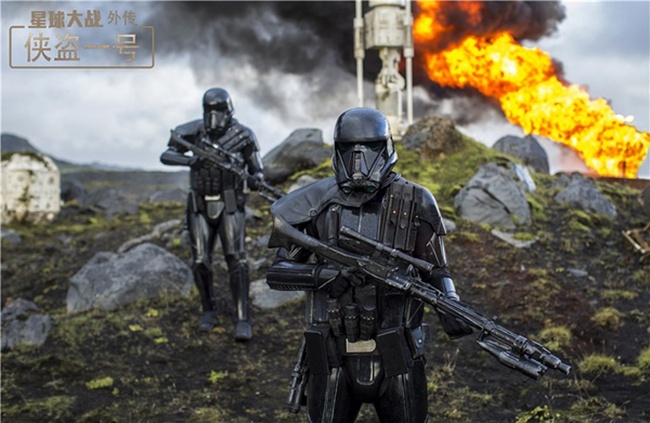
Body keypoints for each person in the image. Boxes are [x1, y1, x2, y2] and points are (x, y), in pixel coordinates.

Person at [266, 107, 472, 422]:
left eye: (370, 148)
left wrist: (450, 304)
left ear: (385, 147)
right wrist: (323, 275)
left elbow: (437, 270)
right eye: (349, 149)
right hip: (332, 353)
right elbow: (278, 272)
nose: (358, 161)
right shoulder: (313, 202)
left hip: (398, 350)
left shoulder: (416, 200)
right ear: (338, 150)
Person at [160, 87, 264, 341]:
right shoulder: (193, 131)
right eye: (210, 111)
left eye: (219, 111)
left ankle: (242, 317)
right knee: (200, 260)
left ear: (229, 111)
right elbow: (166, 155)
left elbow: (257, 169)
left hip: (230, 203)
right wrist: (190, 161)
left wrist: (256, 179)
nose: (215, 118)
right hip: (199, 204)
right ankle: (208, 309)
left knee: (237, 260)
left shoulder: (243, 135)